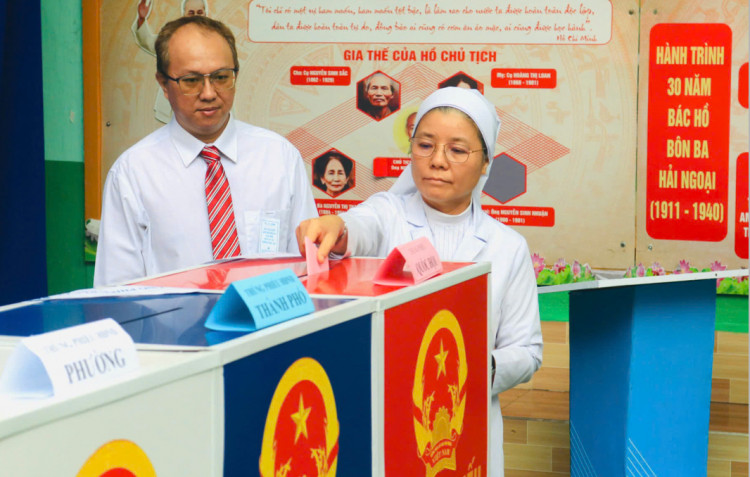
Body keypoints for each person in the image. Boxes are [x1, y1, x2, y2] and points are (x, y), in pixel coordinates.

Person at [296, 87, 542, 476]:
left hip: (466, 425)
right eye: (425, 145)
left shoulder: (507, 247)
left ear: (485, 163)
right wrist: (337, 229)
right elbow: (359, 226)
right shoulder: (389, 213)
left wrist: (466, 372)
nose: (438, 161)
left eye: (457, 150)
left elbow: (527, 351)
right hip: (390, 418)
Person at [94, 16, 317, 287]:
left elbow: (308, 272)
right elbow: (116, 289)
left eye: (221, 77)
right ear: (163, 84)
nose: (209, 93)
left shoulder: (279, 157)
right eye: (191, 80)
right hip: (173, 316)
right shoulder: (133, 173)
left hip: (269, 314)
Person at [132, 0, 210, 122]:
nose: (195, 16)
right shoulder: (172, 38)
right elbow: (148, 42)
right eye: (191, 13)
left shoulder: (216, 40)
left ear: (205, 14)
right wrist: (141, 19)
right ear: (184, 14)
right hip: (176, 106)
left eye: (199, 12)